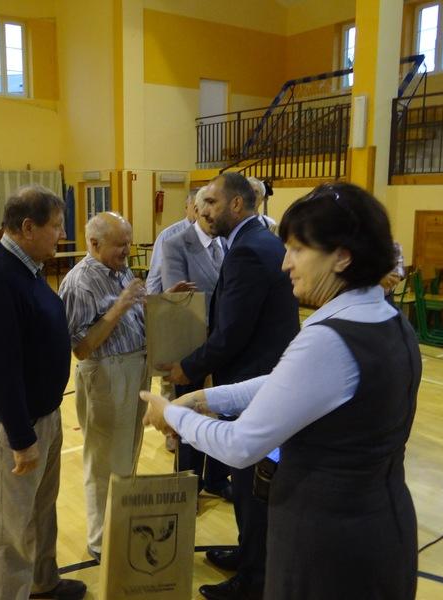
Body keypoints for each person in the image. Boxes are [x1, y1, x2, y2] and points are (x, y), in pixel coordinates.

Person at [143, 182, 421, 600]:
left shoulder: (330, 338)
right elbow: (288, 383)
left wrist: (172, 415)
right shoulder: (384, 317)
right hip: (378, 523)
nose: (285, 263)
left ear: (342, 256)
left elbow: (241, 445)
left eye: (298, 250)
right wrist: (204, 399)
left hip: (327, 539)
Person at [158, 173, 299, 600]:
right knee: (252, 482)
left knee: (252, 480)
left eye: (212, 203)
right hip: (263, 374)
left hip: (252, 379)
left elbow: (232, 333)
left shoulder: (249, 250)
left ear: (237, 205)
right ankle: (249, 553)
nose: (204, 211)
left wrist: (188, 368)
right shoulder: (258, 241)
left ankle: (253, 578)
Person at [0, 185, 86, 600]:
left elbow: (5, 338)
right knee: (8, 530)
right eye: (57, 226)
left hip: (43, 414)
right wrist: (21, 438)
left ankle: (42, 584)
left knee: (39, 510)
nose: (63, 235)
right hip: (14, 426)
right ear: (28, 227)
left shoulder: (27, 266)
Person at [58, 212, 191, 563]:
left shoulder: (120, 271)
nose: (127, 251)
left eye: (128, 243)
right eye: (120, 244)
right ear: (94, 243)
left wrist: (164, 300)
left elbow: (138, 313)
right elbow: (81, 347)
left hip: (135, 367)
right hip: (106, 372)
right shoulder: (79, 282)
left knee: (127, 454)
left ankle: (119, 524)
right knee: (104, 461)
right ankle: (101, 540)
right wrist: (118, 307)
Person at [160, 186, 231, 500]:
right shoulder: (176, 244)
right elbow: (177, 299)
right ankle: (187, 486)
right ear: (198, 208)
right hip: (191, 347)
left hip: (224, 345)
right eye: (210, 207)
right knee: (188, 417)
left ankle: (216, 478)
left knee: (221, 414)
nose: (215, 215)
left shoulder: (226, 243)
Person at [146, 190, 198, 294]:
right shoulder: (168, 235)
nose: (200, 211)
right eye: (195, 206)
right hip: (176, 298)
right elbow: (155, 275)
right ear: (186, 208)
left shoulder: (216, 236)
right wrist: (153, 302)